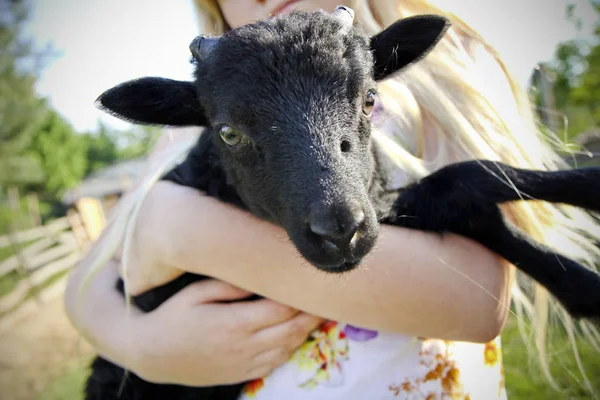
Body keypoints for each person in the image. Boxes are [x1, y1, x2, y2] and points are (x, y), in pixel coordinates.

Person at [65, 0, 600, 398]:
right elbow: (86, 288)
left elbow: (478, 304)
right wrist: (142, 347)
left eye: (365, 102)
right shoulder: (181, 133)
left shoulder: (439, 76)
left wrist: (180, 229)